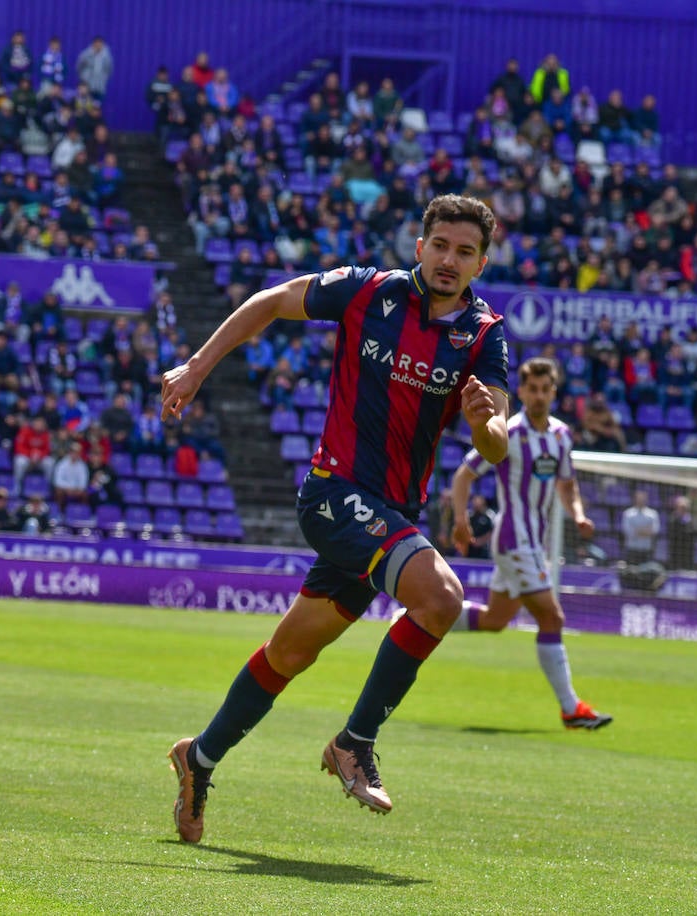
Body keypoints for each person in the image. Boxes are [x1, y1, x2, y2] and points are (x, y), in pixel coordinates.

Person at [161, 195, 510, 842]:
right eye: (440, 245)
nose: (448, 259)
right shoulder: (367, 292)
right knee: (441, 598)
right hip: (332, 493)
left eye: (464, 252)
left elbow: (497, 444)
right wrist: (198, 366)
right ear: (419, 246)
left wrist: (484, 423)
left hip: (389, 514)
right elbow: (270, 301)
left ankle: (198, 757)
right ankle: (355, 741)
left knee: (290, 651)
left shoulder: (486, 338)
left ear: (480, 263)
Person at [445, 357, 611, 729]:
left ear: (554, 392)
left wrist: (579, 514)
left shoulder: (561, 436)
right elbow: (463, 476)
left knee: (495, 619)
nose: (538, 396)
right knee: (552, 617)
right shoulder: (510, 432)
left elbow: (567, 486)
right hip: (513, 540)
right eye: (531, 389)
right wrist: (460, 521)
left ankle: (422, 616)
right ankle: (571, 709)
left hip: (533, 541)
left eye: (545, 389)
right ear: (520, 391)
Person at [620, 490, 659, 565]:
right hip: (632, 549)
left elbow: (654, 531)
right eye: (639, 499)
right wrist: (645, 531)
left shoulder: (653, 514)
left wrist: (637, 530)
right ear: (635, 499)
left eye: (643, 499)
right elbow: (628, 531)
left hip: (646, 550)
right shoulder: (628, 513)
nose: (641, 501)